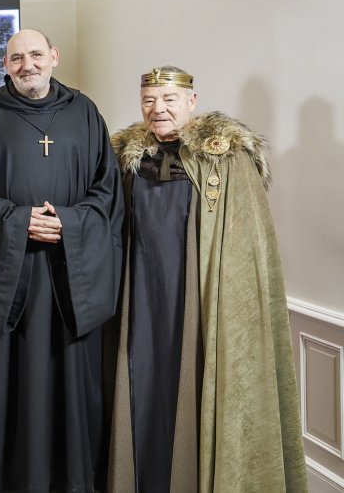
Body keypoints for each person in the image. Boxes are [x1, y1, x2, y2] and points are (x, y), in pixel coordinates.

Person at [107, 67, 306, 493]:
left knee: (192, 382)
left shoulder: (227, 157)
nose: (158, 109)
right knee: (144, 380)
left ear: (191, 102)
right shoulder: (126, 159)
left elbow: (244, 242)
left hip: (198, 298)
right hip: (141, 297)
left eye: (169, 99)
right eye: (149, 100)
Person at [0, 29, 123, 493]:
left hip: (71, 271)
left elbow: (107, 189)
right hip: (11, 272)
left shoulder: (84, 113)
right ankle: (4, 475)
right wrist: (16, 221)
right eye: (16, 58)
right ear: (5, 66)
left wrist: (68, 222)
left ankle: (72, 475)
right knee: (6, 372)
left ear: (53, 56)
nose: (27, 65)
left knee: (70, 374)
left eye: (35, 55)